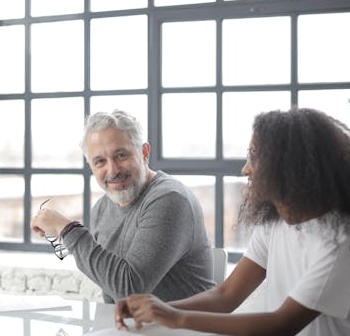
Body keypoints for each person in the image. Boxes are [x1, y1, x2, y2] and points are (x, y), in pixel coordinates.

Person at [116, 108, 350, 336]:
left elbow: (281, 325)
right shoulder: (274, 223)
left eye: (254, 157)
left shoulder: (344, 239)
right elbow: (227, 296)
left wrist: (174, 317)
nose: (245, 169)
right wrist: (153, 308)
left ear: (289, 166)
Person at [31, 109, 215, 303]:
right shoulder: (101, 209)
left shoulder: (170, 199)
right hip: (131, 328)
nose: (113, 170)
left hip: (184, 330)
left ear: (144, 152)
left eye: (121, 155)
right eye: (100, 161)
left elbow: (129, 290)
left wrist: (67, 229)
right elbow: (111, 290)